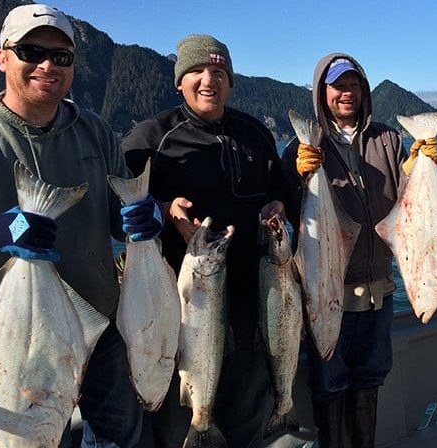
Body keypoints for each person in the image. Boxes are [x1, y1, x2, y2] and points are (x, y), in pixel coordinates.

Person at [0, 4, 166, 447]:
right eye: (32, 51)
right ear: (2, 57)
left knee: (117, 438)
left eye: (62, 57)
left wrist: (142, 219)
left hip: (103, 321)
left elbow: (116, 216)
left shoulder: (95, 129)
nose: (48, 65)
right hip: (14, 334)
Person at [121, 34, 285, 448]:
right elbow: (114, 206)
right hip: (180, 314)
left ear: (230, 80)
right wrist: (161, 208)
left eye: (218, 71)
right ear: (179, 81)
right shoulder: (149, 138)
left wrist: (279, 205)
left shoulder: (256, 135)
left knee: (247, 423)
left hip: (252, 312)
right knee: (180, 427)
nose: (208, 80)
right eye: (196, 71)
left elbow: (283, 193)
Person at [282, 53, 437, 448]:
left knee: (370, 380)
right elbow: (284, 208)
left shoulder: (387, 137)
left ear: (363, 90)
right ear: (323, 93)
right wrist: (296, 175)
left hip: (379, 291)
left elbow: (408, 200)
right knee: (328, 385)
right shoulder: (305, 145)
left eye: (353, 85)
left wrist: (416, 166)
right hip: (326, 290)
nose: (346, 93)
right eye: (337, 86)